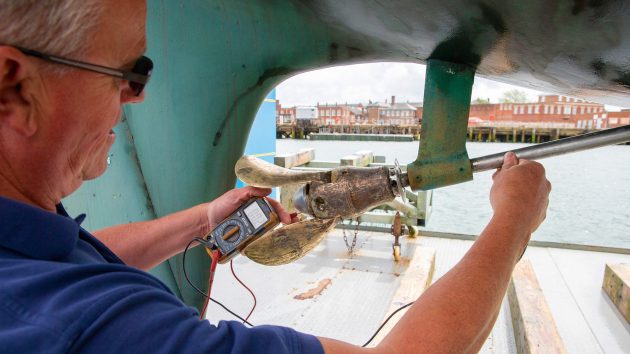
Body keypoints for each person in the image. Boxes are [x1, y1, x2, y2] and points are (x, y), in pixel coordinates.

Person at [0, 1, 551, 353]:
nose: (136, 99)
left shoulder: (30, 255)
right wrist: (513, 223)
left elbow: (82, 259)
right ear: (15, 85)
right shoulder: (108, 329)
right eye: (129, 74)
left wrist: (202, 219)